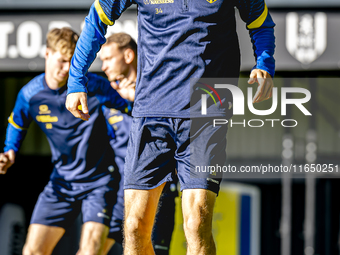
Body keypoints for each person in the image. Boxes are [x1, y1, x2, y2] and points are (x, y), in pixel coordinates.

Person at [65, 1, 275, 254]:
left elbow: (260, 22)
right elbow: (97, 18)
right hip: (150, 113)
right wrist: (76, 80)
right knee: (134, 226)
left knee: (197, 222)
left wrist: (264, 64)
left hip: (205, 113)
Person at [0, 27, 129, 255]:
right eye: (62, 61)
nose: (68, 68)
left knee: (90, 252)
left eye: (72, 61)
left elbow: (130, 107)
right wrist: (10, 150)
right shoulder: (30, 94)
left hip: (100, 182)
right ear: (47, 54)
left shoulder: (95, 86)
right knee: (32, 251)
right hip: (62, 182)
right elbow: (17, 122)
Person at [100, 32, 178, 255]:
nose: (103, 66)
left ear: (128, 55)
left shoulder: (158, 87)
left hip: (157, 191)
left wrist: (137, 98)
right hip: (117, 194)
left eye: (108, 59)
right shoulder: (106, 98)